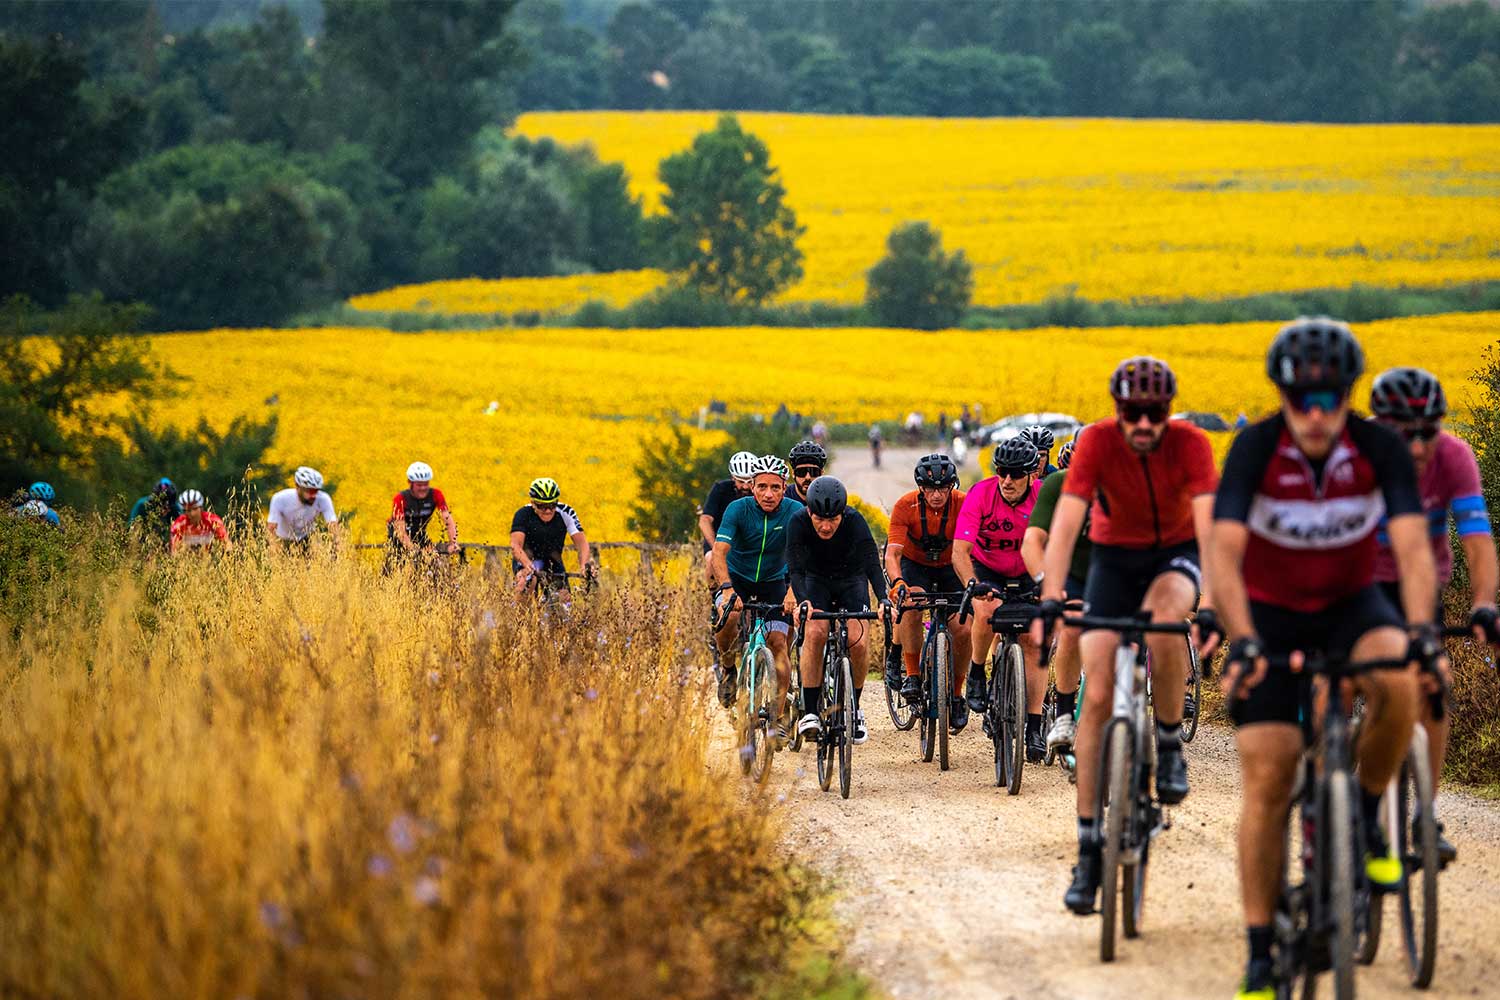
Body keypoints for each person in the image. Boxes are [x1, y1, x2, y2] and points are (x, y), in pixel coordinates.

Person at [1210, 319, 1436, 1000]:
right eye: (1301, 400)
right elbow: (1222, 553)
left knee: (1400, 677)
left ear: (1348, 395)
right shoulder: (1254, 448)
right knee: (1271, 776)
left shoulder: (1377, 448)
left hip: (1349, 603)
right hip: (1269, 612)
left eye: (1330, 398)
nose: (1316, 414)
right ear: (1281, 396)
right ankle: (1258, 948)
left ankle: (1365, 810)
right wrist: (1243, 637)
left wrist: (1423, 630)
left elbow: (1415, 547)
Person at [1033, 355, 1220, 916]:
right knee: (1095, 696)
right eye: (1132, 413)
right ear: (1118, 411)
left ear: (1168, 411)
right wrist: (1051, 595)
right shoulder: (1096, 444)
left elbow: (1210, 526)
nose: (1143, 423)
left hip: (1175, 555)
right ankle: (1089, 848)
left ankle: (1166, 744)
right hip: (1114, 561)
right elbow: (1065, 525)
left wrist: (1209, 604)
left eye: (1154, 412)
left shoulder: (1191, 445)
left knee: (1167, 624)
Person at [1367, 367, 1499, 865]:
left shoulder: (1454, 456)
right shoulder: (1356, 459)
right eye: (1405, 434)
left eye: (1428, 431)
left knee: (1432, 684)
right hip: (1357, 586)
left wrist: (1484, 602)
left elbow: (1478, 539)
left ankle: (1425, 811)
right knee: (1331, 689)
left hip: (1420, 589)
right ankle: (1329, 787)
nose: (1418, 446)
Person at [952, 436, 1044, 748]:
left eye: (1016, 474)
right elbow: (960, 551)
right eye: (1002, 471)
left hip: (1030, 570)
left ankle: (1034, 725)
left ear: (1032, 475)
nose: (1007, 480)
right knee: (987, 611)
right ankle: (977, 671)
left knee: (1035, 641)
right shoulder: (981, 493)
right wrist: (971, 585)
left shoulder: (1043, 499)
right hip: (988, 568)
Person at [785, 476, 889, 744]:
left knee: (858, 641)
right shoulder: (797, 522)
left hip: (851, 581)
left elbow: (872, 565)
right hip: (815, 581)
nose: (826, 525)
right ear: (809, 512)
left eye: (833, 519)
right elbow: (795, 570)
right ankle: (810, 712)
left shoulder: (855, 521)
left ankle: (854, 707)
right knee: (816, 632)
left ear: (843, 513)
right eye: (820, 518)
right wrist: (803, 600)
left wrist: (883, 598)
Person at [710, 456, 804, 736]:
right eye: (762, 486)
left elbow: (803, 557)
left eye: (775, 487)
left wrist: (792, 591)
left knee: (778, 644)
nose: (768, 494)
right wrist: (727, 589)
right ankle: (728, 670)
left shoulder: (795, 511)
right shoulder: (737, 509)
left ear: (784, 486)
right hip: (737, 577)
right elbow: (719, 552)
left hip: (774, 581)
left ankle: (779, 715)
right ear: (752, 487)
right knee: (729, 616)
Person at [884, 453, 973, 707]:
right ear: (920, 488)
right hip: (915, 566)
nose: (937, 495)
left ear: (951, 486)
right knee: (911, 605)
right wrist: (898, 582)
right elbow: (893, 553)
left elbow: (971, 549)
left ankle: (956, 693)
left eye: (943, 488)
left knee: (964, 628)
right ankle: (912, 674)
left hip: (951, 565)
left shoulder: (964, 504)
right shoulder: (905, 505)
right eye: (930, 489)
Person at [1022, 432, 1089, 754]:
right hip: (1072, 570)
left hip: (1115, 571)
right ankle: (1064, 712)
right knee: (1073, 628)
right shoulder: (1058, 484)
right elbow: (1034, 540)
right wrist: (1048, 586)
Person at [510, 477, 592, 597]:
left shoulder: (566, 512)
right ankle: (520, 615)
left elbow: (582, 544)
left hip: (553, 561)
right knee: (526, 582)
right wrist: (527, 564)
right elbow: (515, 546)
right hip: (527, 558)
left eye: (552, 505)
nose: (548, 511)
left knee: (564, 598)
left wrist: (584, 565)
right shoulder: (523, 514)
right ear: (533, 503)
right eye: (542, 506)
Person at [386, 461, 460, 572]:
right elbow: (399, 529)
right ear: (410, 483)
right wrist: (412, 549)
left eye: (426, 484)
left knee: (434, 564)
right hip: (398, 536)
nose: (423, 488)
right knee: (397, 569)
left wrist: (453, 543)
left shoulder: (436, 494)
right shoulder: (400, 498)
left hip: (420, 533)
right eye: (419, 485)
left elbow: (448, 519)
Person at [699, 452, 757, 582]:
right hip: (720, 539)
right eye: (741, 481)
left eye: (750, 481)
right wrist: (715, 546)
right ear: (733, 477)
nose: (746, 486)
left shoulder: (760, 491)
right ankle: (715, 597)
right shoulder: (720, 489)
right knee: (711, 559)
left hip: (748, 540)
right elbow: (704, 520)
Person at [266, 467, 340, 549]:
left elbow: (333, 525)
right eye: (309, 491)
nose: (313, 495)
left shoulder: (323, 498)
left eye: (315, 491)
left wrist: (338, 546)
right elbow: (271, 528)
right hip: (283, 539)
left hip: (307, 538)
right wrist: (274, 550)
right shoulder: (280, 499)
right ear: (298, 487)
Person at [170, 489, 230, 554]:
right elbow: (174, 552)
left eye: (195, 509)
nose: (192, 513)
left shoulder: (213, 521)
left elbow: (227, 543)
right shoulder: (178, 525)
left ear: (201, 508)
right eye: (187, 510)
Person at [129, 477, 181, 547]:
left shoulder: (176, 509)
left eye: (166, 508)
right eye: (160, 507)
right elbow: (131, 530)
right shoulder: (142, 506)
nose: (163, 511)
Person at [786, 439, 828, 506]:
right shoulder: (783, 497)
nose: (807, 477)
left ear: (821, 473)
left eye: (813, 472)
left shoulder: (830, 497)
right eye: (801, 472)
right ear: (793, 473)